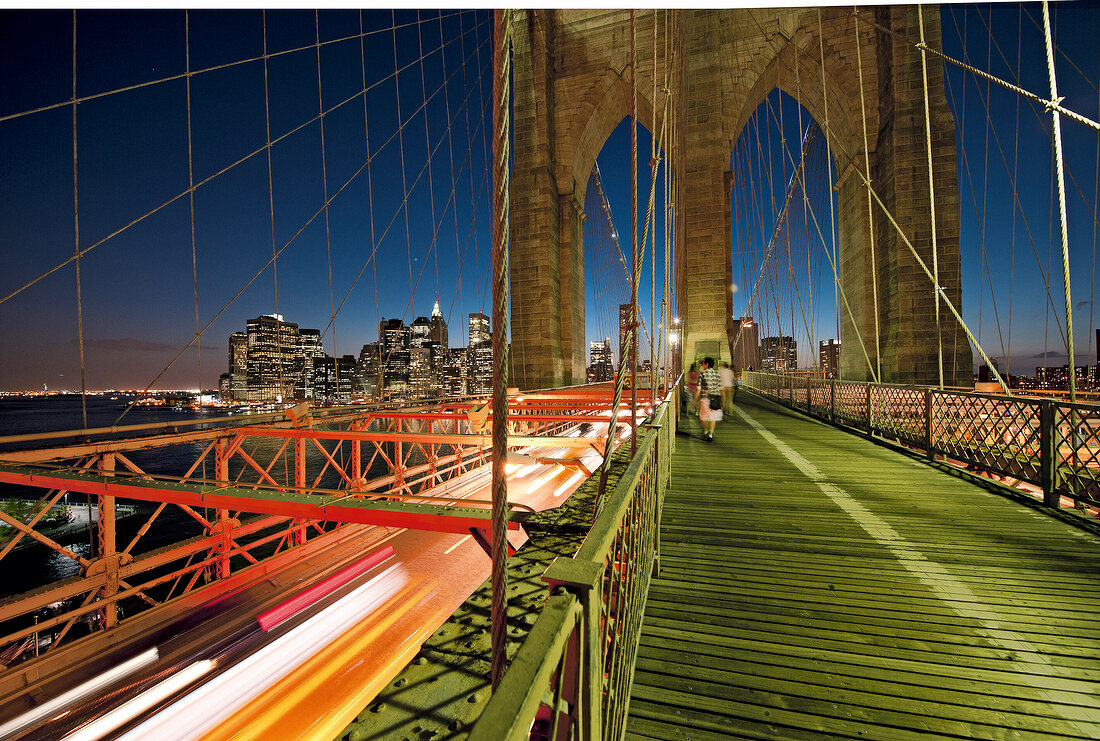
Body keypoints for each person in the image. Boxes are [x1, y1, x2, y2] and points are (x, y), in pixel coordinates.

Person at [694, 356, 722, 441]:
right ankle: (710, 434)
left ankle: (706, 430)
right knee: (712, 417)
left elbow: (699, 388)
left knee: (703, 417)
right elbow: (720, 387)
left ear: (706, 364)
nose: (702, 365)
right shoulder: (717, 374)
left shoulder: (703, 374)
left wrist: (695, 399)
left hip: (705, 398)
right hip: (716, 398)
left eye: (703, 363)